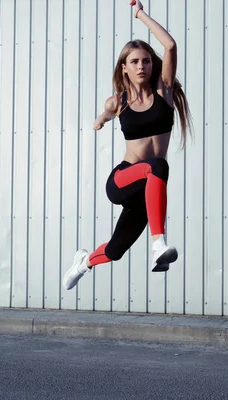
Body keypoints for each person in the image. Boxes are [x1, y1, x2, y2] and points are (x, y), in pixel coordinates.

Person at [63, 0, 192, 290]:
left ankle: (83, 262)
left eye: (146, 60)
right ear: (125, 68)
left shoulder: (164, 92)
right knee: (158, 165)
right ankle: (158, 243)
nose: (142, 66)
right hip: (124, 179)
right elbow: (106, 113)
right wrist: (100, 120)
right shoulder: (118, 101)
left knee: (115, 250)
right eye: (134, 61)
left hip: (148, 191)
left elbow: (170, 46)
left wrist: (140, 15)